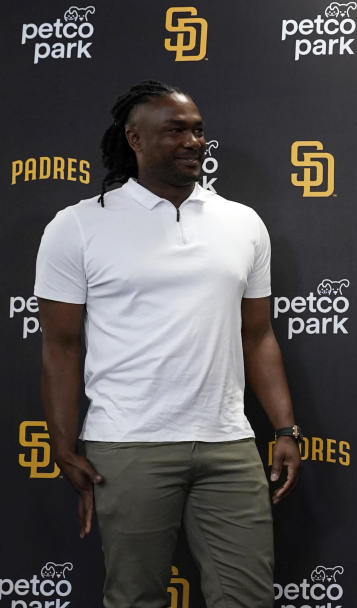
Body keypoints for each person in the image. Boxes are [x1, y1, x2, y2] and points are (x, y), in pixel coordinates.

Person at [36, 80, 303, 608]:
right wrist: (63, 446)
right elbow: (60, 347)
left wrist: (285, 427)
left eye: (198, 130)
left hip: (228, 443)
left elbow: (258, 335)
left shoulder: (242, 222)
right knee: (135, 597)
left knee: (247, 598)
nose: (193, 141)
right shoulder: (79, 226)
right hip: (129, 444)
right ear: (135, 140)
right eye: (175, 130)